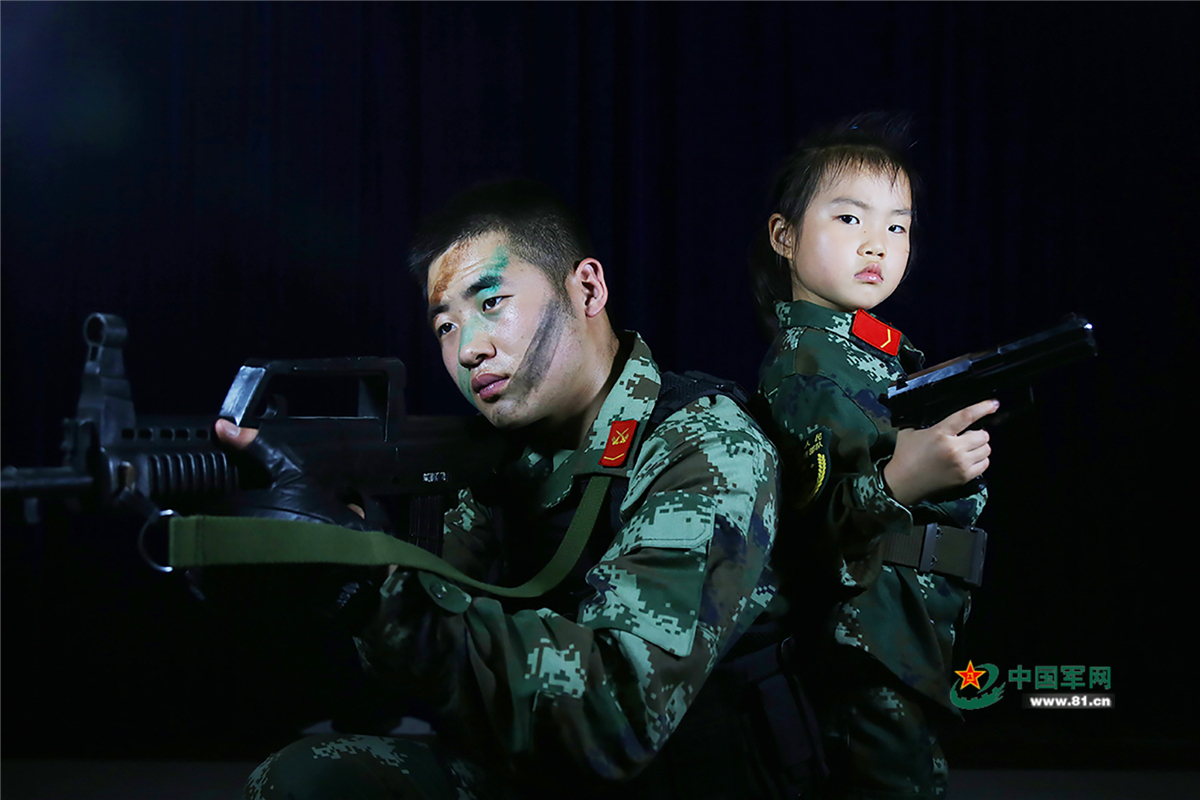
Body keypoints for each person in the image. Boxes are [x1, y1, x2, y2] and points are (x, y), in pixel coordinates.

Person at [217, 180, 791, 799]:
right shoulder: (504, 460)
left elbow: (619, 715)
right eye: (445, 326)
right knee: (309, 778)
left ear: (588, 289)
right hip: (542, 771)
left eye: (491, 302)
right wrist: (350, 560)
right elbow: (418, 660)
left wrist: (376, 585)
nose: (468, 350)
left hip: (678, 781)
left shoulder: (705, 445)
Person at [752, 116, 997, 799]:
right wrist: (904, 479)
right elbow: (810, 524)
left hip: (900, 638)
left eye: (897, 226)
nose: (877, 244)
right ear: (784, 236)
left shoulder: (867, 355)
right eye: (849, 218)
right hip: (860, 646)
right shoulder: (806, 364)